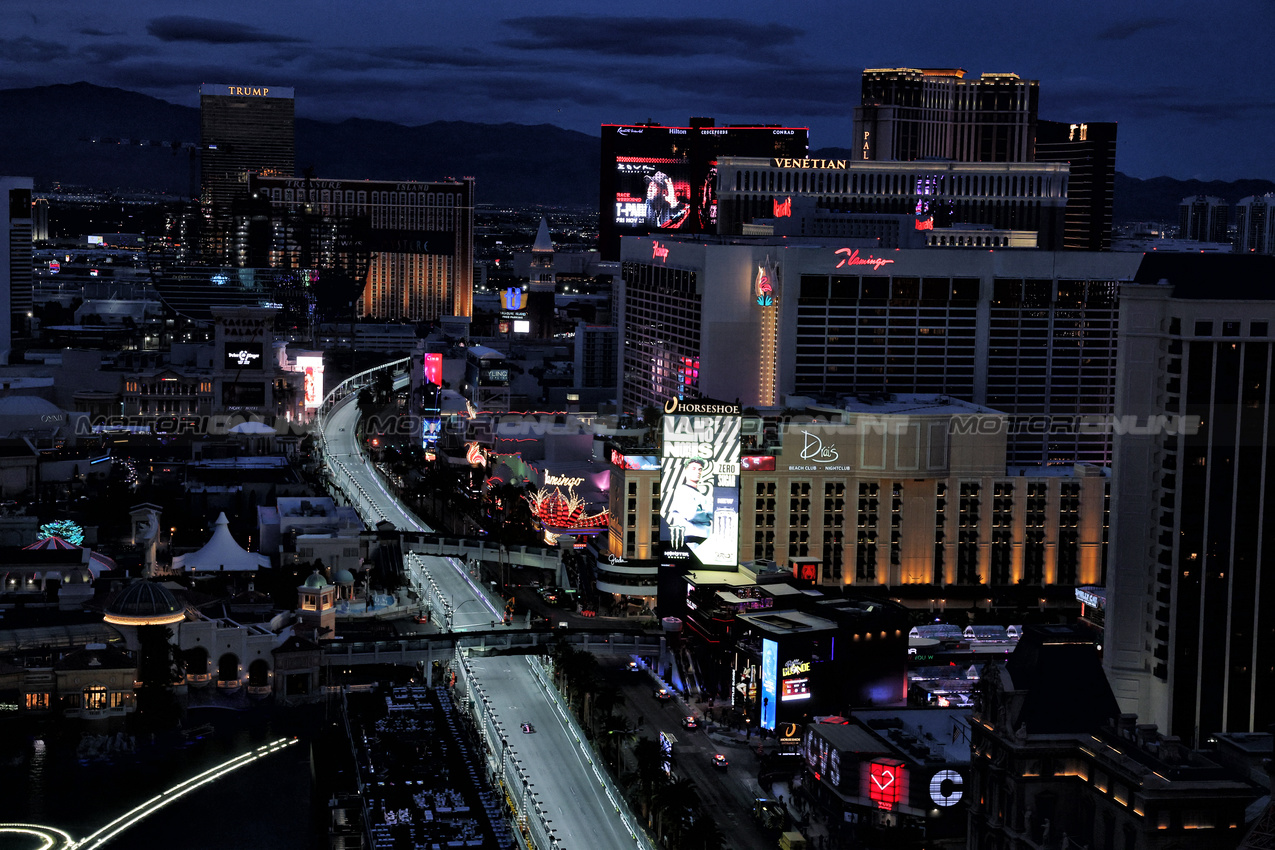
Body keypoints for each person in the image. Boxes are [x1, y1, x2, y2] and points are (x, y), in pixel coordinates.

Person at [666, 459, 713, 549]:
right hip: (691, 540)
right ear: (686, 471)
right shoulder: (682, 490)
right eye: (694, 468)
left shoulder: (702, 496)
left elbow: (713, 514)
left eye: (700, 469)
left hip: (705, 540)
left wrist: (702, 511)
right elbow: (692, 514)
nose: (697, 472)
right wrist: (707, 515)